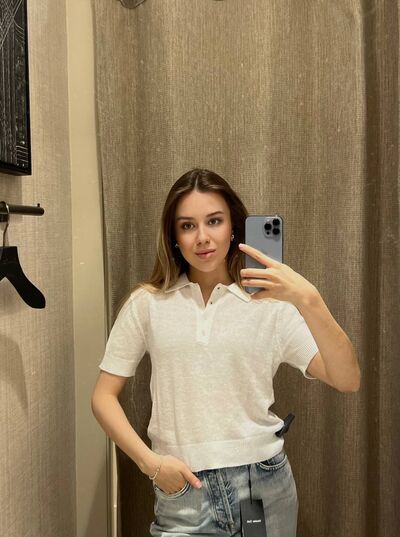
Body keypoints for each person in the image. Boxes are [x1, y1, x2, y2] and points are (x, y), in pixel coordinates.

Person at [91, 168, 360, 537]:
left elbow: (347, 379)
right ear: (174, 237)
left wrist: (308, 298)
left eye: (214, 221)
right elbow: (103, 397)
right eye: (188, 226)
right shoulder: (147, 304)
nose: (202, 237)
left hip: (263, 486)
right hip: (183, 493)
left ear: (233, 227)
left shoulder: (271, 304)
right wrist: (151, 464)